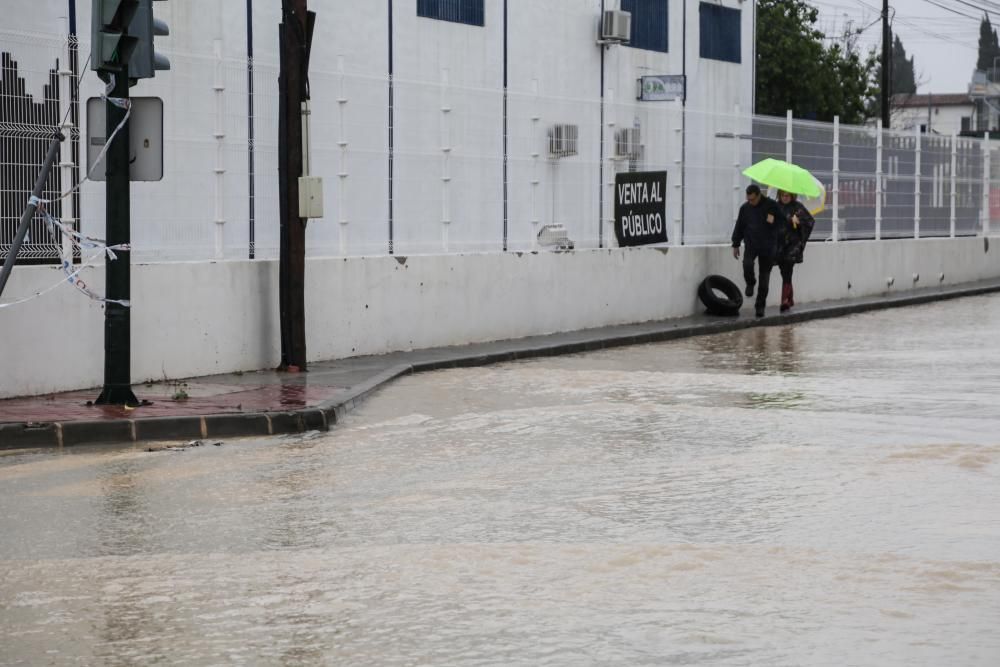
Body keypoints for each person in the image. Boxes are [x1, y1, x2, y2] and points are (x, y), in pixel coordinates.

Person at [731, 184, 785, 317]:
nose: (750, 202)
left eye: (752, 199)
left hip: (768, 247)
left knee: (764, 279)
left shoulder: (772, 205)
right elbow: (740, 226)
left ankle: (760, 306)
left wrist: (773, 221)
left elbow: (782, 222)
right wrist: (735, 244)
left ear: (759, 195)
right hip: (751, 244)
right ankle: (750, 282)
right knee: (747, 264)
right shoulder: (745, 208)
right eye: (748, 199)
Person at [776, 190, 815, 312]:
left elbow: (810, 222)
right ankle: (790, 298)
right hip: (780, 245)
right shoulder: (776, 207)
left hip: (793, 245)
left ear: (792, 196)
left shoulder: (798, 207)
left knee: (787, 269)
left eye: (787, 195)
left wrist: (798, 222)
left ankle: (784, 301)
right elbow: (770, 221)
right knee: (784, 271)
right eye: (782, 195)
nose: (785, 198)